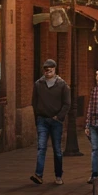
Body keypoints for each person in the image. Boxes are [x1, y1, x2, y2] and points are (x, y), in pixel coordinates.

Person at [31, 58, 70, 186]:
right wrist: (37, 116)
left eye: (50, 69)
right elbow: (34, 102)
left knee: (57, 149)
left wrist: (59, 117)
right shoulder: (38, 84)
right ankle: (38, 175)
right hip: (42, 119)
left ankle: (58, 176)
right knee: (41, 147)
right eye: (46, 69)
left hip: (55, 121)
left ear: (54, 69)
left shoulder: (62, 85)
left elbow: (67, 104)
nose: (48, 71)